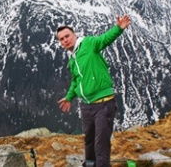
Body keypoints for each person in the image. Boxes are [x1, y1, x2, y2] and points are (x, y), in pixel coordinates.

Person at [56, 15, 131, 167]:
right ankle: (90, 165)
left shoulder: (89, 43)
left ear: (74, 35)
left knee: (101, 145)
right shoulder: (72, 59)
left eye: (67, 36)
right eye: (61, 39)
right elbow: (76, 80)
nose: (65, 40)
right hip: (86, 106)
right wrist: (69, 97)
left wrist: (118, 28)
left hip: (103, 105)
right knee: (89, 141)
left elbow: (104, 39)